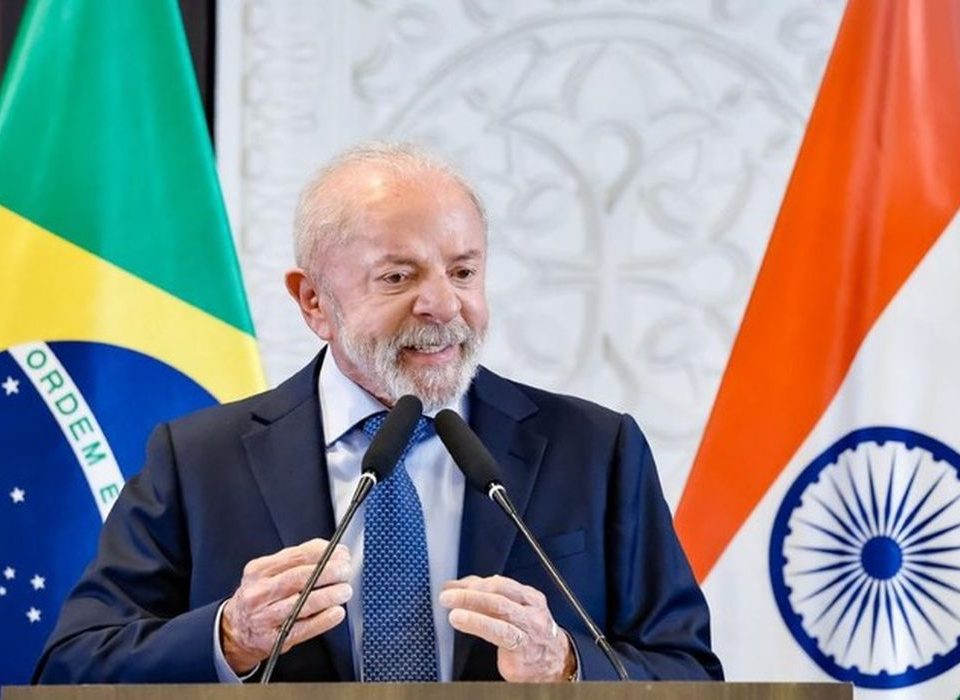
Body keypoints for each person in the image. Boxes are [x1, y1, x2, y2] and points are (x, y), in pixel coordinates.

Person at [34, 142, 723, 684]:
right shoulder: (199, 460)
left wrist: (567, 666)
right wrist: (229, 637)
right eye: (398, 276)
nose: (443, 305)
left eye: (463, 271)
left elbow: (689, 672)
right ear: (313, 301)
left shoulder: (596, 449)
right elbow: (71, 666)